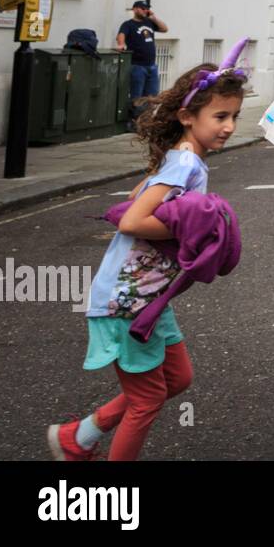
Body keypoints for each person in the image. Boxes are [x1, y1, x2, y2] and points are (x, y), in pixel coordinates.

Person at [47, 40, 248, 460]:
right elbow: (132, 220)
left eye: (234, 116)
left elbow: (142, 193)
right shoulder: (185, 163)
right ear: (187, 117)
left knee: (177, 379)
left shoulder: (182, 159)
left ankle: (78, 436)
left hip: (149, 297)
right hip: (126, 299)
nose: (229, 126)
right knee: (146, 400)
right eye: (220, 116)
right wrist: (190, 234)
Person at [116, 1, 168, 129]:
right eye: (143, 8)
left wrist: (153, 17)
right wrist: (121, 44)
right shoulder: (129, 24)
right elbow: (121, 35)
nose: (145, 11)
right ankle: (134, 123)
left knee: (151, 97)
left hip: (151, 66)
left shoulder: (149, 22)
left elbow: (164, 29)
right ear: (135, 9)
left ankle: (147, 123)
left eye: (147, 9)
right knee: (137, 97)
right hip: (137, 66)